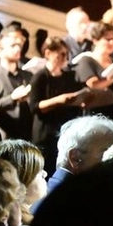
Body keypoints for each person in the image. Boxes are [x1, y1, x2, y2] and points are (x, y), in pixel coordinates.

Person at [27, 37, 85, 172]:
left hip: (64, 130)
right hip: (45, 134)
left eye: (67, 54)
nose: (65, 58)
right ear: (48, 53)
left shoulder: (69, 77)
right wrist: (59, 100)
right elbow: (34, 106)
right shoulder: (40, 77)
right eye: (62, 54)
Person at [0, 31, 34, 141]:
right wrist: (12, 98)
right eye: (12, 46)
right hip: (4, 135)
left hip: (26, 134)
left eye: (19, 46)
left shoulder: (28, 75)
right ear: (0, 51)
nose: (17, 49)